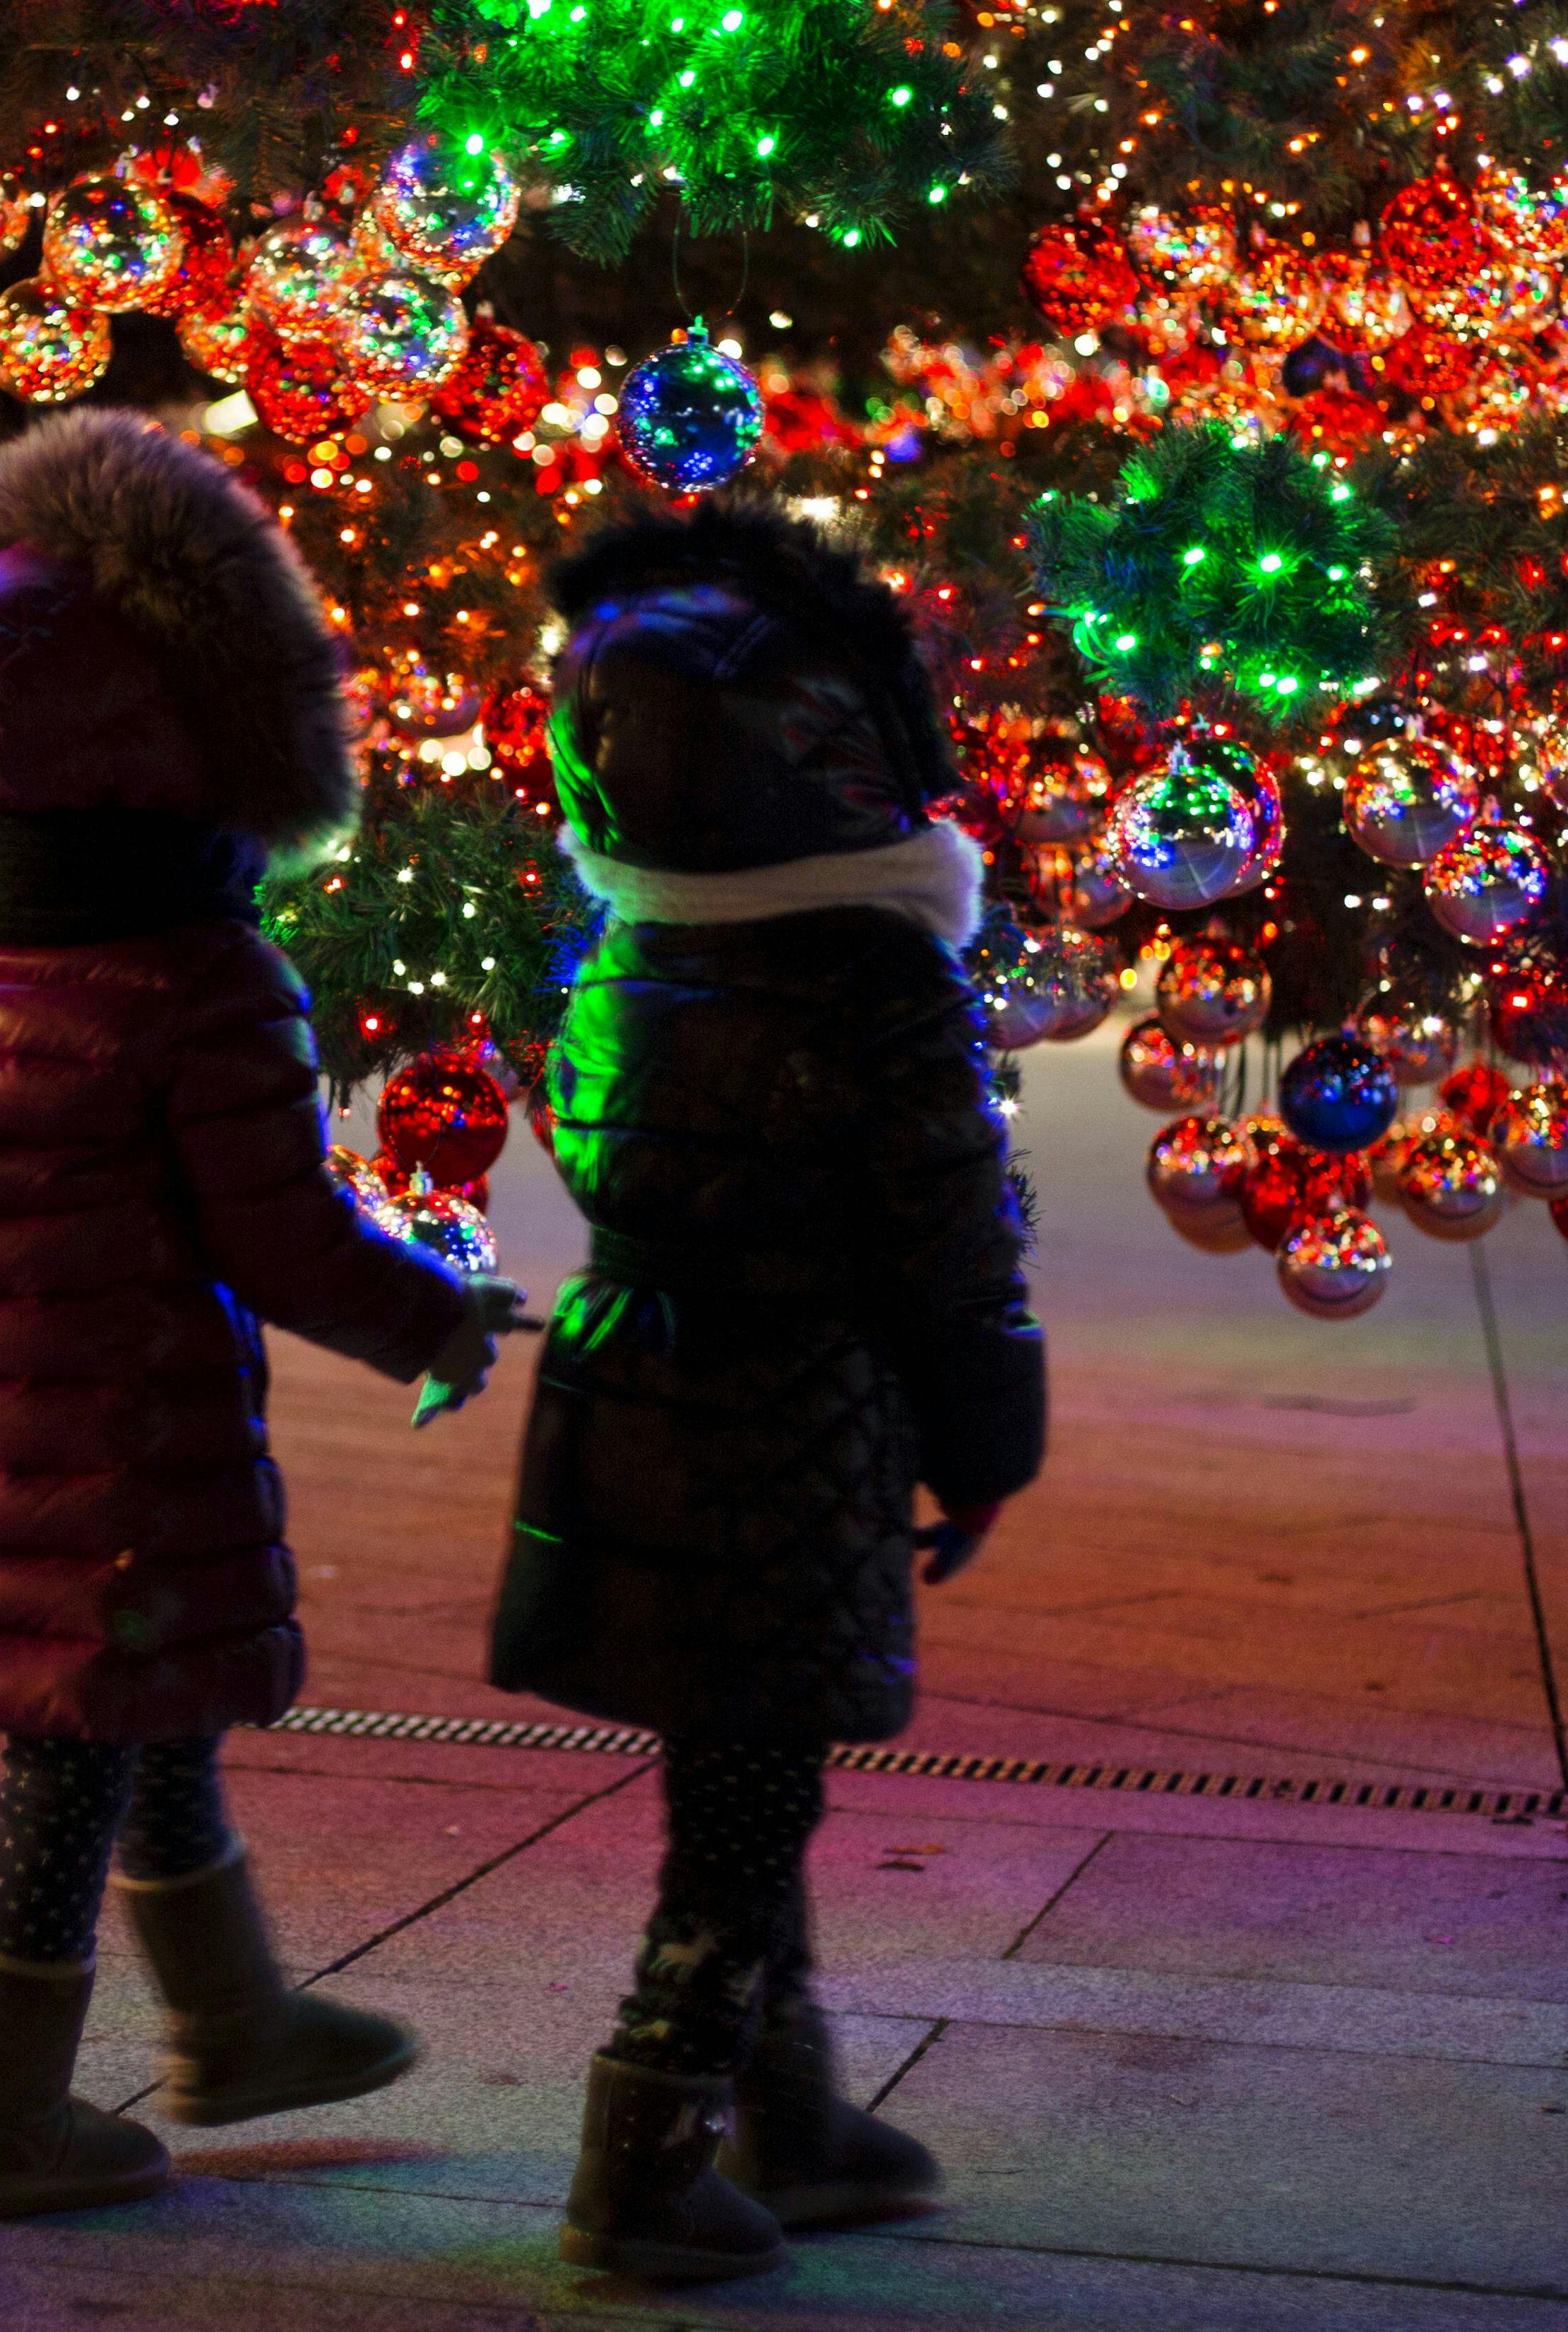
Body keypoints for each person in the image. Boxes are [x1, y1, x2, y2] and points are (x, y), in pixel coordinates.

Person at [0, 406, 526, 2221]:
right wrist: (434, 1322)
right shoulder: (199, 976)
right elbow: (282, 1234)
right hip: (115, 1446)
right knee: (76, 1749)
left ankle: (232, 2018)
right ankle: (4, 2116)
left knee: (146, 1709)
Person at [480, 501, 1046, 2283]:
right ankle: (643, 2156)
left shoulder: (630, 959)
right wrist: (991, 1438)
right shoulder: (878, 981)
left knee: (733, 1768)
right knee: (743, 1812)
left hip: (630, 1402)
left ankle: (791, 2117)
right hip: (798, 1426)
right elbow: (956, 1243)